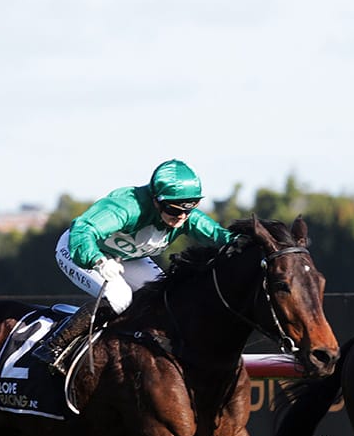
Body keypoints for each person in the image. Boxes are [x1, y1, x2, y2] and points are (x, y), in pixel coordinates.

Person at [33, 159, 237, 373]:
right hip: (80, 249)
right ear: (156, 200)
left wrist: (244, 242)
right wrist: (97, 260)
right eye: (174, 210)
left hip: (126, 257)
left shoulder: (184, 216)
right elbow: (83, 230)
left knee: (164, 296)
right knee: (120, 297)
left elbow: (220, 236)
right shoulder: (128, 207)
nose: (182, 217)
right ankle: (53, 347)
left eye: (189, 208)